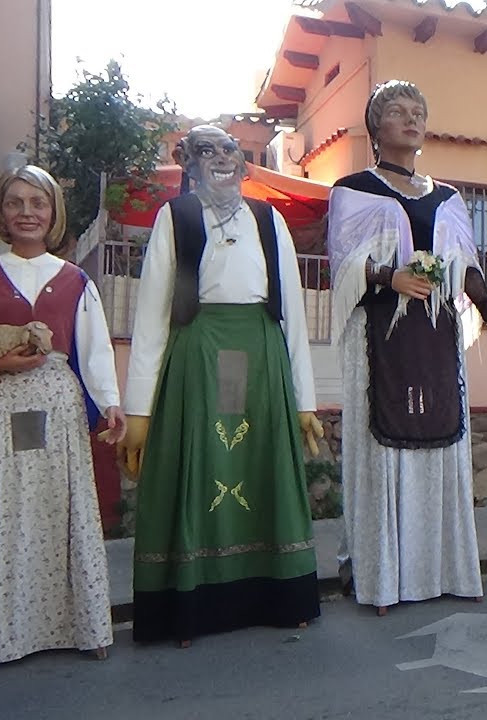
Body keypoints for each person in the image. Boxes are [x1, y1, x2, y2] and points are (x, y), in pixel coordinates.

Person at [119, 125, 323, 644]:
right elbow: (152, 314)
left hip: (261, 354)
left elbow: (293, 312)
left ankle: (276, 596)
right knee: (203, 465)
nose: (220, 158)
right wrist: (139, 411)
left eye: (228, 148)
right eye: (205, 150)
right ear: (188, 164)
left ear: (243, 161)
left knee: (258, 468)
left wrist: (304, 401)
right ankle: (192, 604)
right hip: (197, 355)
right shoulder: (176, 217)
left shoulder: (269, 220)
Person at [328, 80, 487, 616]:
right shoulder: (352, 190)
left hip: (436, 338)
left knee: (441, 440)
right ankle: (381, 575)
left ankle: (445, 569)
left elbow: (466, 263)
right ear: (375, 127)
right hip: (378, 338)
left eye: (418, 112)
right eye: (398, 111)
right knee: (382, 448)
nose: (412, 120)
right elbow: (343, 261)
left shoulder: (448, 198)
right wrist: (390, 277)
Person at [0, 165, 123, 666]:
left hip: (57, 405)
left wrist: (110, 403)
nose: (26, 213)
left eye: (37, 203)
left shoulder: (75, 280)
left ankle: (77, 625)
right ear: (1, 212)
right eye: (15, 202)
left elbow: (95, 350)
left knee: (60, 505)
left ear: (53, 212)